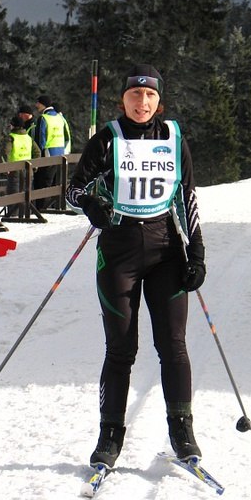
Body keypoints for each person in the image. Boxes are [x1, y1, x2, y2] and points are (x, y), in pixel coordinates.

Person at [66, 64, 207, 469]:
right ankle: (110, 435)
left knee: (173, 345)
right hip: (119, 249)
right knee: (120, 349)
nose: (141, 102)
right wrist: (90, 204)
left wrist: (196, 251)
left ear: (159, 101)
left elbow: (186, 196)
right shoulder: (108, 138)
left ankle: (182, 431)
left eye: (149, 95)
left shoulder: (173, 138)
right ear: (123, 99)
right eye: (134, 94)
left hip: (166, 249)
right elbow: (74, 189)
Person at [32, 95, 71, 209]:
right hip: (60, 155)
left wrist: (38, 157)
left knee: (44, 185)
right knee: (56, 184)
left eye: (38, 103)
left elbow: (41, 140)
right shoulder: (60, 118)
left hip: (48, 155)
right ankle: (56, 207)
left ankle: (42, 209)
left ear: (43, 104)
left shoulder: (43, 118)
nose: (36, 105)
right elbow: (66, 137)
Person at [3, 115, 40, 218]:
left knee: (13, 194)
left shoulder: (11, 138)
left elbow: (5, 153)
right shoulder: (28, 137)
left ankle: (13, 215)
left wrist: (6, 168)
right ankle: (26, 213)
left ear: (14, 126)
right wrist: (34, 166)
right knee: (27, 192)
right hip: (28, 170)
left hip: (14, 170)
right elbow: (37, 152)